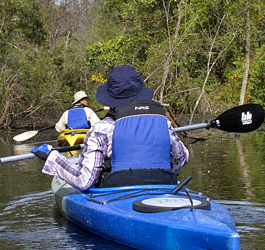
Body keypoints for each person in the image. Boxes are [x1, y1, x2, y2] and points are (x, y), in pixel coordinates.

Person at [32, 65, 189, 193]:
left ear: (111, 99)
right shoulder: (163, 123)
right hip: (164, 190)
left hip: (117, 194)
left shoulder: (101, 130)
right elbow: (181, 159)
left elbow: (84, 181)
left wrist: (53, 157)